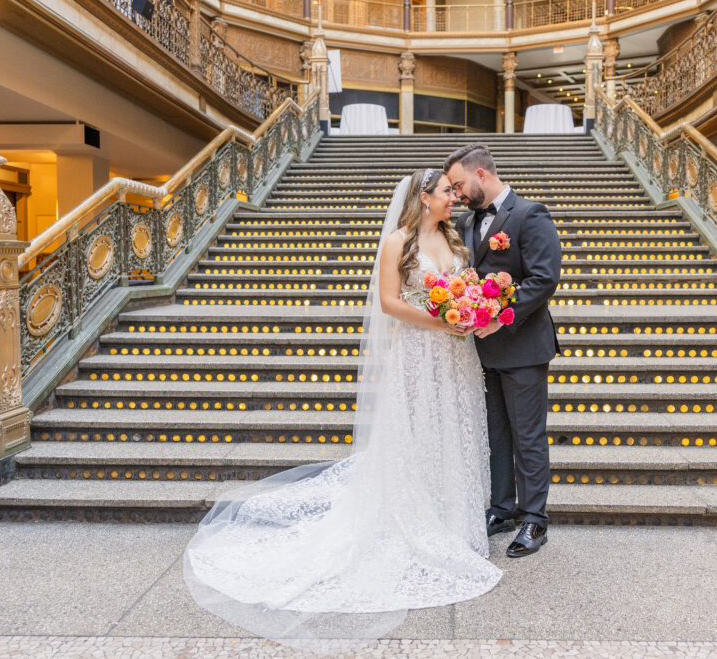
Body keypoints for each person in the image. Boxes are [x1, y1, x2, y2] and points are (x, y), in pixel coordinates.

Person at [183, 168, 502, 650]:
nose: (454, 199)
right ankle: (412, 521)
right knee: (416, 436)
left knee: (452, 432)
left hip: (456, 357)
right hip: (418, 353)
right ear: (424, 197)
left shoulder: (457, 243)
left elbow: (469, 287)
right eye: (446, 193)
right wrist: (441, 323)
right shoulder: (398, 242)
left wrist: (476, 310)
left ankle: (453, 522)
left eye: (455, 193)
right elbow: (390, 304)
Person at [446, 143, 562, 558]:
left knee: (528, 436)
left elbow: (544, 279)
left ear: (481, 175)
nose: (457, 193)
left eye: (460, 184)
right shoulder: (466, 220)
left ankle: (535, 520)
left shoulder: (531, 215)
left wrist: (501, 313)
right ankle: (502, 508)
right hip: (483, 349)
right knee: (496, 433)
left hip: (524, 346)